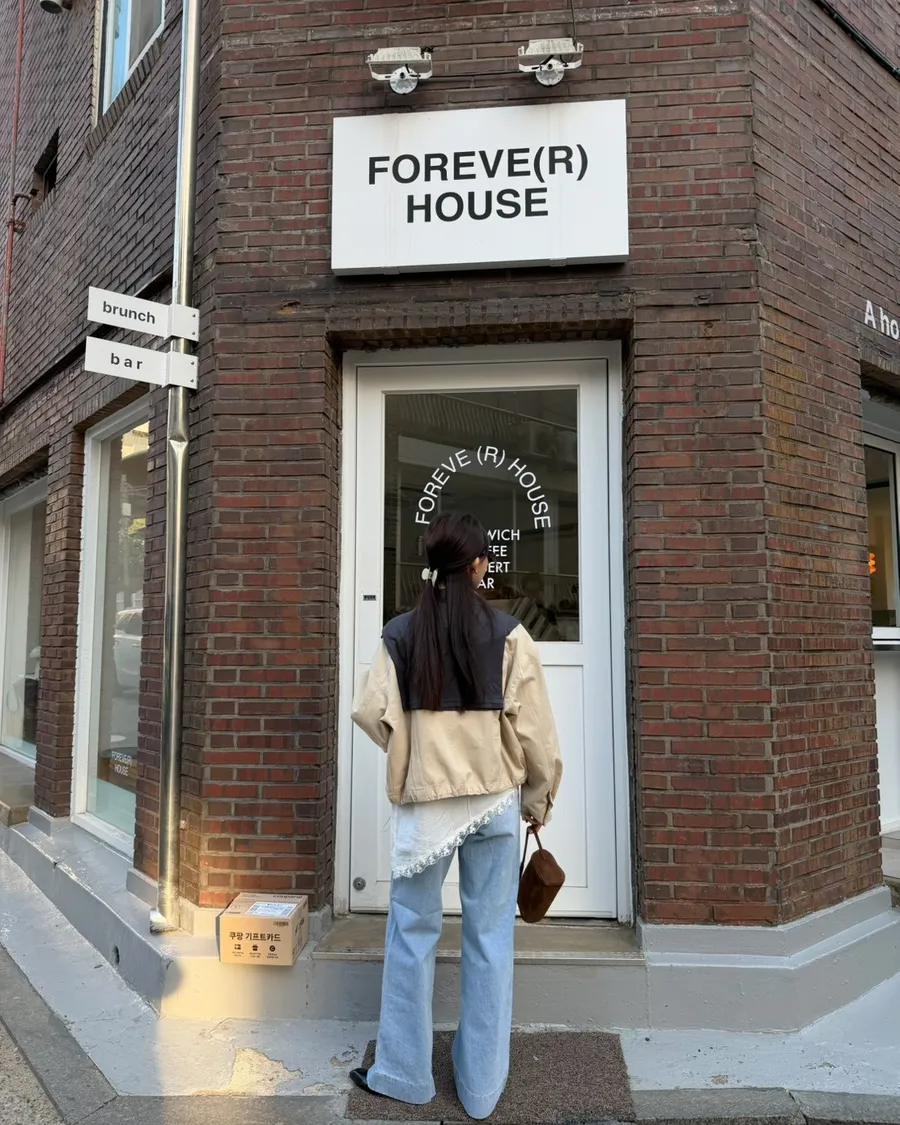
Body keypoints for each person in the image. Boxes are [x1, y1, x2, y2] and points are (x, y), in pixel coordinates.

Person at [350, 511, 562, 1119]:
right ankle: (481, 1088)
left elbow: (371, 714)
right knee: (490, 938)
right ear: (478, 567)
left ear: (432, 567)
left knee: (411, 934)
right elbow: (537, 736)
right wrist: (539, 800)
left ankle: (403, 1076)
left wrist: (413, 750)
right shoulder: (509, 635)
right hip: (493, 802)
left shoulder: (400, 635)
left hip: (424, 808)